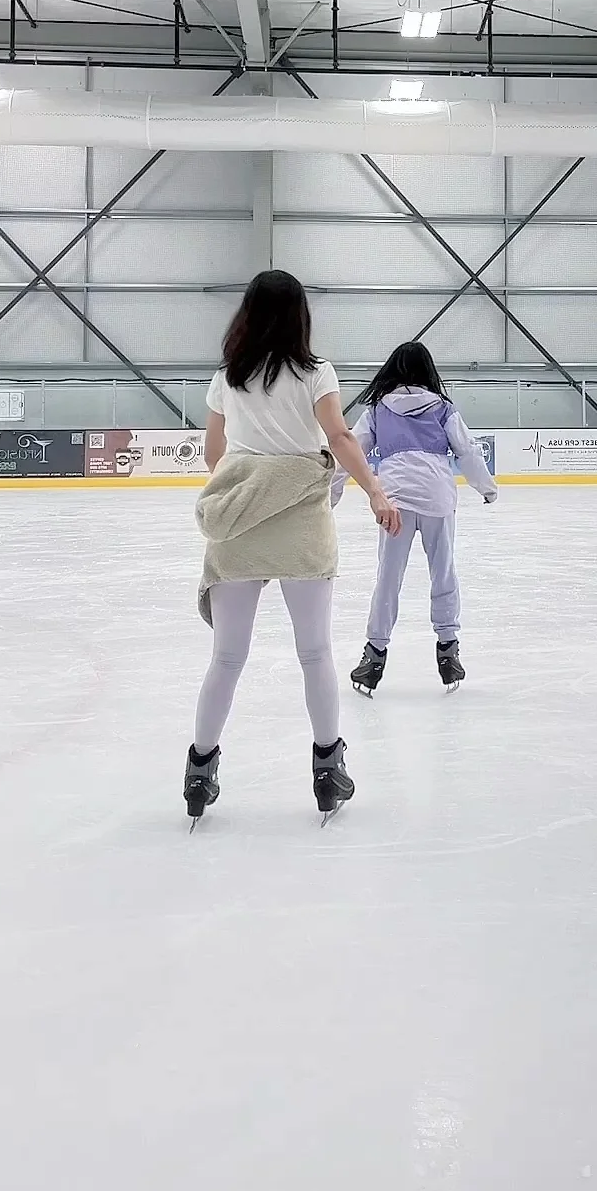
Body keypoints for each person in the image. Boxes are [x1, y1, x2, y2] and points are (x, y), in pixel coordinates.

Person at [187, 271, 401, 826]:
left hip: (240, 527)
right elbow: (339, 437)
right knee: (314, 653)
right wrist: (375, 491)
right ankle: (328, 768)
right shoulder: (315, 373)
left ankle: (199, 771)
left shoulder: (227, 377)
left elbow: (214, 454)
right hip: (303, 525)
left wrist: (251, 492)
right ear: (300, 315)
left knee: (226, 658)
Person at [333, 341, 497, 693]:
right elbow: (467, 451)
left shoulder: (378, 409)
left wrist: (331, 491)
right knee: (444, 572)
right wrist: (486, 487)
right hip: (438, 498)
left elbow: (351, 450)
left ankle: (374, 656)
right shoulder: (443, 408)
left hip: (395, 502)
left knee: (388, 578)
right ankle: (448, 650)